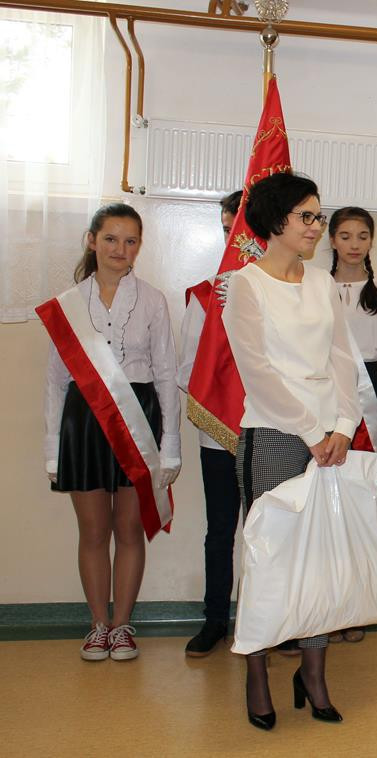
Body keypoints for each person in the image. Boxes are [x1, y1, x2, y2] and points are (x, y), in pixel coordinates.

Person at [222, 172, 361, 730]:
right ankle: (256, 672)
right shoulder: (245, 285)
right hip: (275, 435)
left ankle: (313, 674)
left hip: (329, 438)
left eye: (319, 217)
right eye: (307, 216)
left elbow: (343, 359)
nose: (317, 227)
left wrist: (344, 426)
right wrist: (311, 431)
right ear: (276, 220)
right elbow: (257, 373)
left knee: (321, 558)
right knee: (270, 557)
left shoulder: (324, 282)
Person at [42, 203, 181, 661]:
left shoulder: (153, 300)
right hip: (84, 422)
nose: (120, 249)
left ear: (139, 246)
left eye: (130, 241)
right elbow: (55, 382)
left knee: (129, 529)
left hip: (138, 418)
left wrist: (170, 446)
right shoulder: (68, 304)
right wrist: (52, 448)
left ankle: (122, 626)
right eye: (110, 239)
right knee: (93, 531)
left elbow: (166, 375)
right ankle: (97, 625)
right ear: (92, 240)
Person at [329, 206, 377, 643]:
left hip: (369, 396)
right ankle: (327, 607)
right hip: (327, 396)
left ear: (372, 241)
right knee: (326, 506)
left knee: (361, 507)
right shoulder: (314, 286)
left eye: (362, 236)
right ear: (331, 241)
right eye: (345, 235)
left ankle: (357, 608)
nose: (354, 244)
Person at [177, 190, 243, 656]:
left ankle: (272, 621)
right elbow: (187, 370)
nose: (230, 239)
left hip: (272, 432)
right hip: (218, 434)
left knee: (272, 531)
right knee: (220, 531)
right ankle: (215, 619)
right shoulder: (204, 298)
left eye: (238, 230)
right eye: (225, 230)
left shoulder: (286, 293)